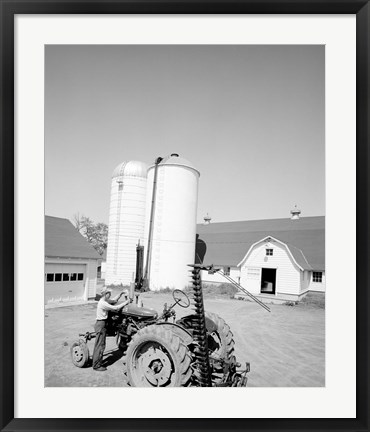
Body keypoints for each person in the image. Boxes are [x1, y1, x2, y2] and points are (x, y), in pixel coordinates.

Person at [92, 287, 130, 372]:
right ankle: (96, 365)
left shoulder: (105, 301)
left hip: (102, 324)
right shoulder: (103, 303)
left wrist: (120, 294)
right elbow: (115, 308)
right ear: (106, 294)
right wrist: (125, 302)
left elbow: (114, 301)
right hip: (101, 324)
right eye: (109, 293)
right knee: (100, 345)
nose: (110, 295)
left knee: (101, 344)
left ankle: (96, 362)